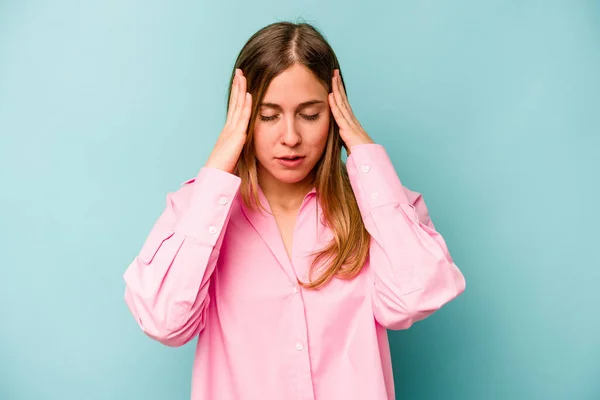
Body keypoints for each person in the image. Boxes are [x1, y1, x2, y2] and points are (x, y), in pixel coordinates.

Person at [123, 20, 466, 400]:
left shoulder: (377, 205)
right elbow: (165, 322)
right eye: (269, 116)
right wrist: (219, 165)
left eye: (309, 114)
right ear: (244, 118)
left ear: (335, 114)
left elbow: (414, 299)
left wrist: (363, 151)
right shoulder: (196, 211)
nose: (290, 137)